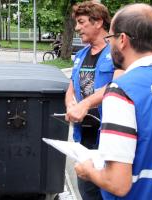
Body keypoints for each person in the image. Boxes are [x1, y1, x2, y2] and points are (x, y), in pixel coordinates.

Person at [74, 3, 152, 200]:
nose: (110, 44)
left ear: (123, 40)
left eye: (111, 38)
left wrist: (88, 171)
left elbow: (117, 183)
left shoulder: (121, 92)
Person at [65, 1, 123, 200]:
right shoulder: (80, 55)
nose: (77, 28)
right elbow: (71, 86)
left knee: (109, 192)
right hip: (83, 139)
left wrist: (85, 104)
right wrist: (70, 103)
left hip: (108, 137)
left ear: (98, 22)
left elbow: (117, 84)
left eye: (81, 22)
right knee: (87, 192)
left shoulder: (116, 52)